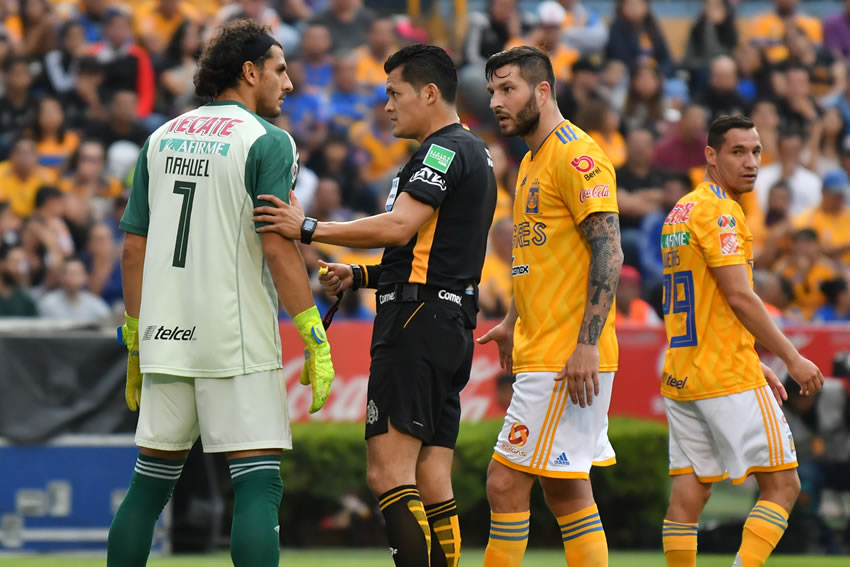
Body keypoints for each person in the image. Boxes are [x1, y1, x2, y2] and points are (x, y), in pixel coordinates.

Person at [251, 43, 497, 567]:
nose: (386, 105)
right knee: (430, 476)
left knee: (388, 474)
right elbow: (426, 253)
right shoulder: (473, 151)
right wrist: (359, 274)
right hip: (448, 320)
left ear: (430, 93)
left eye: (394, 93)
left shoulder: (441, 152)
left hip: (415, 323)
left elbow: (397, 227)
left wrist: (310, 227)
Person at [106, 20, 335, 567]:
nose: (289, 84)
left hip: (165, 335)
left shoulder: (160, 137)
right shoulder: (268, 140)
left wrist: (137, 339)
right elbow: (278, 246)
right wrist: (313, 330)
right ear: (250, 72)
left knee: (148, 488)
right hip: (234, 340)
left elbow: (133, 249)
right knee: (258, 487)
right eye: (280, 70)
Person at [478, 45, 623, 567]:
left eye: (508, 89)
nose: (496, 100)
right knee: (564, 493)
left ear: (543, 90)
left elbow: (609, 248)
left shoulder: (577, 154)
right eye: (493, 90)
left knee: (504, 483)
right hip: (545, 347)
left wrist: (585, 345)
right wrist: (513, 322)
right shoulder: (530, 161)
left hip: (567, 356)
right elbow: (535, 258)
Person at [658, 114, 824, 567]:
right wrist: (791, 356)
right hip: (724, 375)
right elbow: (739, 295)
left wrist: (754, 356)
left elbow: (710, 300)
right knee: (784, 486)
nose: (750, 162)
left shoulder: (682, 210)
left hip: (682, 373)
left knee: (690, 492)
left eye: (755, 152)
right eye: (737, 152)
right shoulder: (720, 211)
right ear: (710, 155)